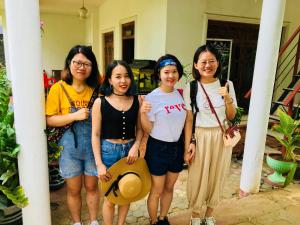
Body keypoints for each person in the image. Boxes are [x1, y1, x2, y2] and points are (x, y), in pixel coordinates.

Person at [46, 45, 101, 225]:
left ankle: (93, 221)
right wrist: (74, 116)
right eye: (77, 62)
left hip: (94, 147)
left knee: (92, 187)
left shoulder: (97, 88)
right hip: (69, 148)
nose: (81, 67)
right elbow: (50, 119)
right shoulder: (58, 89)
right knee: (73, 189)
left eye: (87, 63)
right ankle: (77, 222)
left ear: (92, 67)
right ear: (69, 63)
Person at [183, 44, 237, 225]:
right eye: (203, 62)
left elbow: (231, 116)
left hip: (220, 136)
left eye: (212, 61)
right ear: (196, 65)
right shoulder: (190, 87)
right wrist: (189, 143)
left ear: (218, 63)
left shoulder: (227, 85)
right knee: (197, 176)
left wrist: (227, 98)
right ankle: (196, 215)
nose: (208, 65)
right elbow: (189, 119)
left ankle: (209, 214)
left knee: (217, 175)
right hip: (200, 136)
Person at [91, 60, 143, 225]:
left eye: (127, 76)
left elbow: (140, 130)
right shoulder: (101, 102)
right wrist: (99, 164)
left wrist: (135, 146)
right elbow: (95, 134)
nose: (123, 81)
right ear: (109, 80)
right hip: (108, 152)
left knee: (127, 192)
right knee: (110, 198)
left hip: (130, 152)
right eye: (118, 76)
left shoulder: (137, 100)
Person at [141, 54, 186, 225]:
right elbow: (147, 129)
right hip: (158, 148)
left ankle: (163, 218)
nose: (171, 76)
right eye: (166, 72)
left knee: (169, 187)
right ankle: (153, 221)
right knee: (157, 190)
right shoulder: (152, 97)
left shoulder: (181, 94)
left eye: (174, 72)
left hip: (177, 147)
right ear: (159, 74)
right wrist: (142, 113)